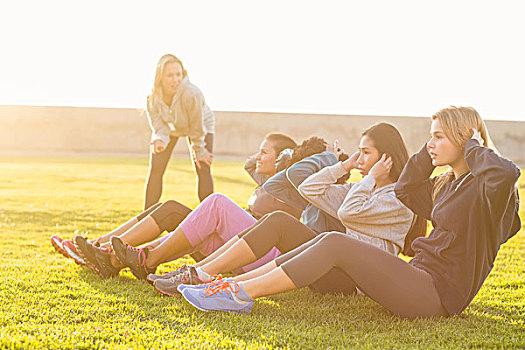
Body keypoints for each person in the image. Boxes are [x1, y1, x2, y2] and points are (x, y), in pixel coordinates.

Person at [178, 107, 521, 319]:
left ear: (465, 140)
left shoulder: (487, 190)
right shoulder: (446, 185)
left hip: (438, 295)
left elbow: (506, 174)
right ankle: (229, 284)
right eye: (430, 137)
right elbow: (405, 189)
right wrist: (426, 151)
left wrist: (474, 145)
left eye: (439, 137)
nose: (430, 144)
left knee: (335, 244)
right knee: (330, 239)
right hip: (417, 277)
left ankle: (236, 294)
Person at [153, 122, 424, 297]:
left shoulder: (398, 198)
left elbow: (348, 213)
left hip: (356, 282)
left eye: (366, 154)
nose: (360, 159)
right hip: (332, 265)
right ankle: (200, 273)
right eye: (359, 153)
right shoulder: (362, 189)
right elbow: (309, 188)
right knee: (278, 221)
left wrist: (368, 178)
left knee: (282, 223)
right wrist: (344, 166)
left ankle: (201, 274)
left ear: (386, 158)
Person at [51, 132, 297, 277]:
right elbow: (249, 164)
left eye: (265, 152)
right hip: (235, 243)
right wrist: (268, 153)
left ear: (283, 159)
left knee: (205, 205)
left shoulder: (289, 185)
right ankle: (103, 251)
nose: (259, 157)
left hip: (259, 255)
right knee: (170, 209)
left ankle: (106, 253)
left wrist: (291, 158)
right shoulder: (267, 181)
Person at [145, 54, 215, 209]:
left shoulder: (192, 94)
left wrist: (199, 150)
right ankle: (146, 217)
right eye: (170, 75)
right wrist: (160, 139)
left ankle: (210, 217)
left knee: (203, 167)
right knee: (156, 168)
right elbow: (159, 125)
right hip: (172, 127)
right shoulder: (152, 98)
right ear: (160, 77)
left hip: (201, 126)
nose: (176, 79)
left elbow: (197, 127)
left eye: (178, 74)